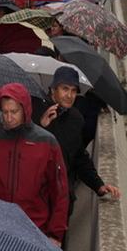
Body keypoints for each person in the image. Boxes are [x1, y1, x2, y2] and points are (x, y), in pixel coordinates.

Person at [0, 83, 69, 247]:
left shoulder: (46, 142)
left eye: (14, 112)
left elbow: (60, 191)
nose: (8, 117)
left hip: (36, 229)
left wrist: (55, 234)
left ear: (25, 109)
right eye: (4, 112)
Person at [32, 67, 120, 210]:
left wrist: (99, 185)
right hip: (37, 195)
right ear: (53, 89)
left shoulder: (75, 118)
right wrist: (41, 126)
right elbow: (28, 152)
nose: (70, 95)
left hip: (62, 197)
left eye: (74, 90)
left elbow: (79, 156)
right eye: (65, 89)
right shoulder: (36, 111)